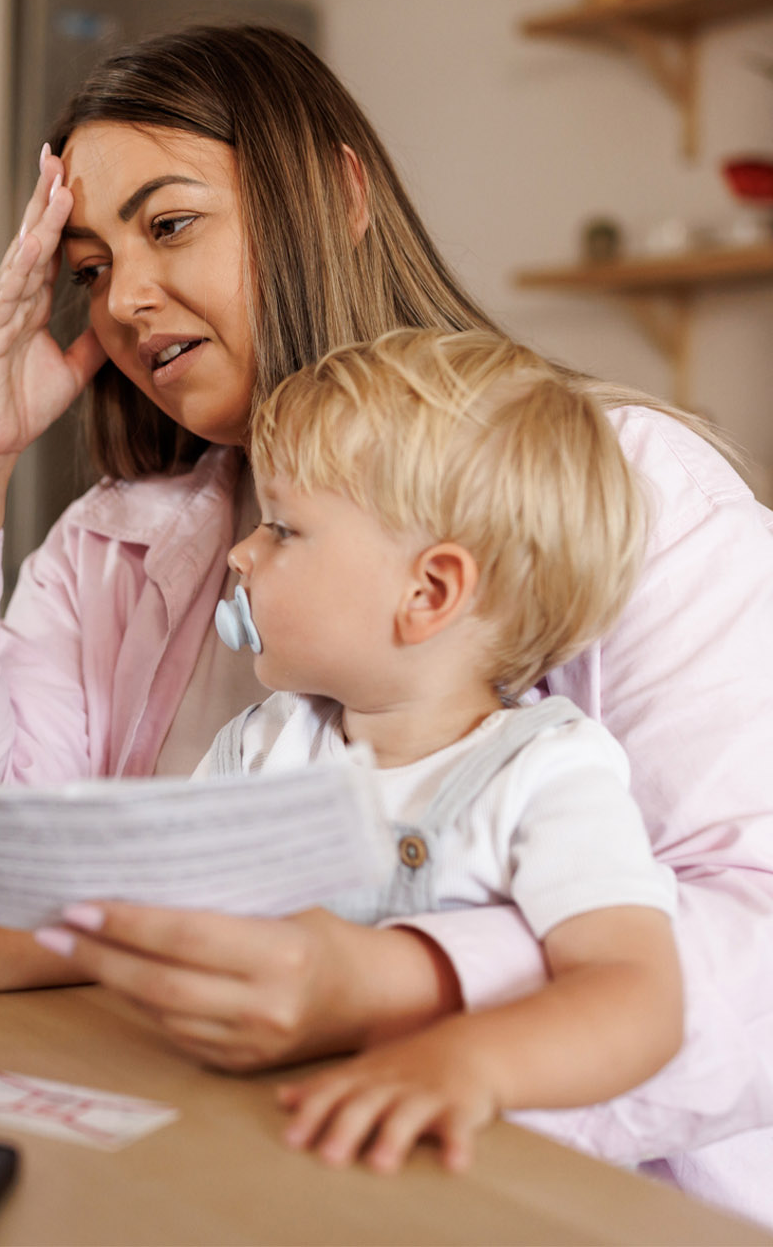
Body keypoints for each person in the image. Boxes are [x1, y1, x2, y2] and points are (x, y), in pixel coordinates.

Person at [0, 25, 773, 1222]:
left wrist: (394, 982)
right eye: (89, 266)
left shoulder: (636, 494)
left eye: (169, 224)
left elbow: (749, 943)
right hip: (222, 1154)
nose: (126, 298)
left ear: (339, 194)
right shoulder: (125, 535)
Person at [163, 327, 681, 1174]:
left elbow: (639, 996)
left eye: (285, 530)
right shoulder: (264, 743)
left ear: (428, 592)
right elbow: (138, 905)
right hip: (269, 1154)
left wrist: (465, 1062)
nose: (242, 552)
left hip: (455, 1189)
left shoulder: (545, 773)